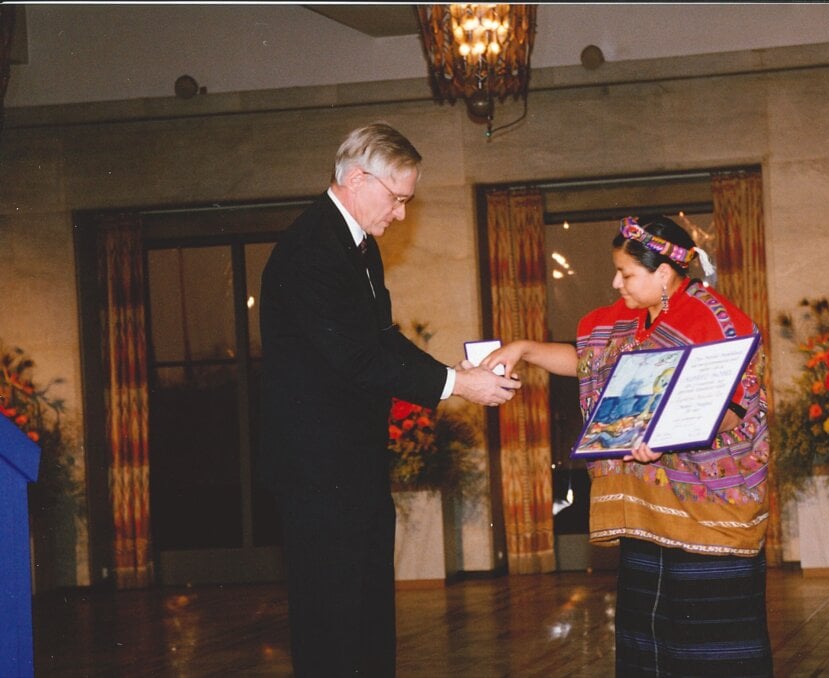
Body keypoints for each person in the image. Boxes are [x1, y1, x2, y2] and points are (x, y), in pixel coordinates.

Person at [258, 121, 521, 677]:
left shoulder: (357, 247)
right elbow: (354, 360)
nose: (401, 214)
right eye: (398, 199)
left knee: (367, 612)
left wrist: (452, 372)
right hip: (317, 473)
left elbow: (382, 338)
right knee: (333, 622)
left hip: (350, 465)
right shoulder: (311, 251)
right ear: (357, 179)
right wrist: (455, 387)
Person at [481, 215, 773, 677]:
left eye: (627, 273)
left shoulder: (716, 319)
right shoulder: (622, 320)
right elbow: (585, 360)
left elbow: (735, 405)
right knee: (650, 640)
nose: (616, 283)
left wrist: (666, 438)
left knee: (711, 644)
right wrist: (524, 349)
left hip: (706, 519)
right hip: (645, 513)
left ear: (662, 274)